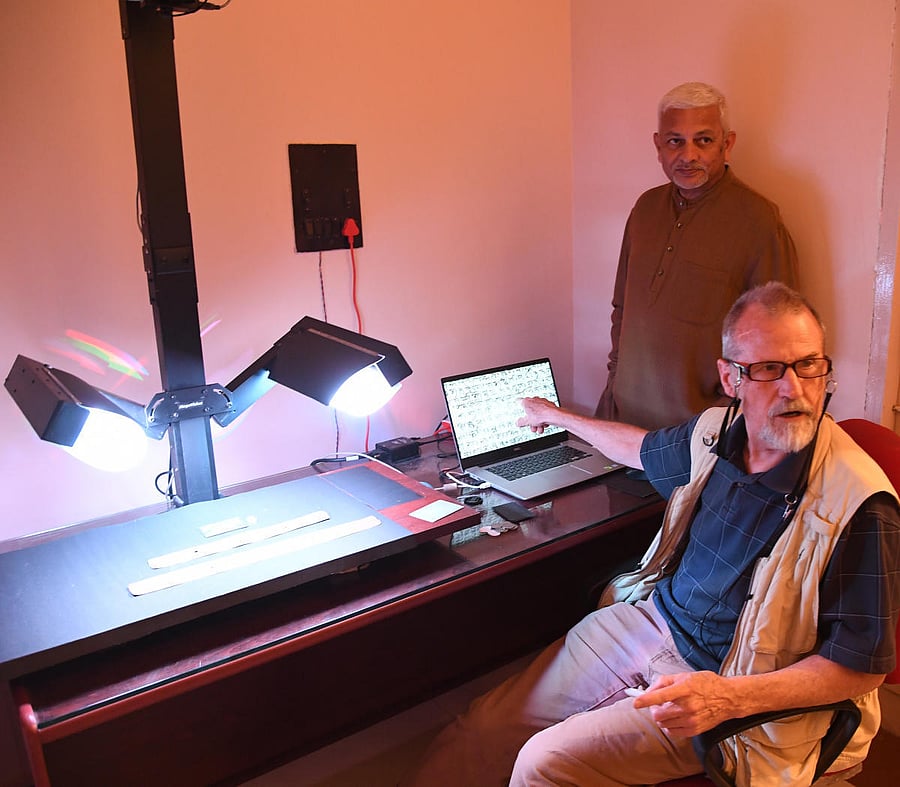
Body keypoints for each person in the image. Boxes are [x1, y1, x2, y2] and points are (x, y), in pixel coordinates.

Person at [403, 282, 900, 786]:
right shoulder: (715, 432)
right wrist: (554, 417)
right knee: (480, 729)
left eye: (808, 365)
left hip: (730, 678)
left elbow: (862, 667)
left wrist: (727, 699)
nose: (794, 388)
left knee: (544, 762)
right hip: (652, 620)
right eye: (769, 369)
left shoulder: (858, 504)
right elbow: (639, 449)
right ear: (730, 378)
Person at [597, 82, 798, 430]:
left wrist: (721, 420)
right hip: (621, 421)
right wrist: (615, 380)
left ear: (727, 144)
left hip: (699, 435)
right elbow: (622, 308)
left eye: (703, 140)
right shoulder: (645, 209)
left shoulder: (758, 220)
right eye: (675, 141)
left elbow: (776, 342)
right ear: (658, 146)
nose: (688, 155)